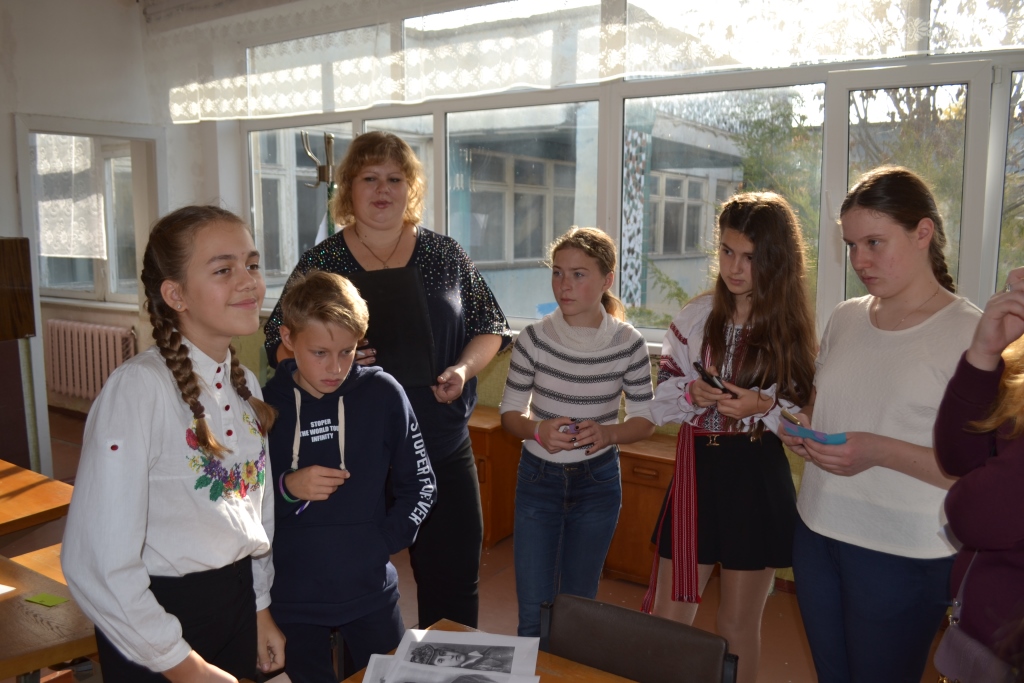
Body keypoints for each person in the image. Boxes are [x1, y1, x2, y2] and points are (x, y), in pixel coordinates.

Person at [263, 131, 511, 629]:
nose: (383, 189)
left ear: (410, 187)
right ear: (349, 189)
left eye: (395, 179)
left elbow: (492, 326)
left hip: (440, 444)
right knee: (352, 585)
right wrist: (340, 357)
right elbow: (279, 340)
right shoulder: (322, 262)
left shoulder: (445, 254)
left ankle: (444, 666)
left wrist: (462, 370)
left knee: (453, 582)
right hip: (352, 454)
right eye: (369, 178)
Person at [61, 205, 286, 682]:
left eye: (251, 264)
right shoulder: (138, 390)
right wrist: (185, 667)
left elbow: (255, 514)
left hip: (235, 604)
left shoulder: (246, 384)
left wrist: (260, 606)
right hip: (156, 625)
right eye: (223, 269)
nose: (249, 281)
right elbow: (96, 563)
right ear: (175, 294)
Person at [782, 166, 982, 682]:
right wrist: (803, 428)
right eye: (851, 246)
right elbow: (825, 407)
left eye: (874, 242)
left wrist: (878, 450)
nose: (860, 261)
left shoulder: (971, 334)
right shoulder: (846, 316)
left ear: (923, 233)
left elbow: (978, 473)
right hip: (818, 529)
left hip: (904, 550)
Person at [643, 192, 817, 683]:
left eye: (750, 257)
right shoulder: (696, 316)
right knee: (669, 617)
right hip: (696, 472)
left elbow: (803, 426)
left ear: (776, 259)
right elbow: (661, 398)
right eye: (726, 251)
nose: (735, 268)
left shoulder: (790, 328)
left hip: (756, 474)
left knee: (737, 625)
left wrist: (762, 408)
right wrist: (691, 392)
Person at [262, 270, 436, 680]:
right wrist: (288, 488)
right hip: (292, 596)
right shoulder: (265, 404)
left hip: (370, 590)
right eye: (320, 352)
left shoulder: (384, 393)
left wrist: (381, 543)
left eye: (347, 351)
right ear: (288, 338)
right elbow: (242, 502)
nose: (335, 367)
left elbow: (421, 485)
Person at [500, 227, 655, 637]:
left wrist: (608, 434)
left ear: (607, 280)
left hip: (597, 483)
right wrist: (536, 430)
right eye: (557, 272)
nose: (564, 285)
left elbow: (645, 419)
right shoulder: (534, 339)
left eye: (578, 274)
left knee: (576, 611)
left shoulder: (628, 343)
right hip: (538, 481)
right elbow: (510, 414)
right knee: (533, 613)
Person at [933, 265, 1024, 670]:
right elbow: (958, 459)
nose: (1017, 273)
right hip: (988, 637)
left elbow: (976, 516)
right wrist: (984, 354)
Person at [408, 644, 514, 672]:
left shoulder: (485, 649)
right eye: (441, 660)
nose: (449, 656)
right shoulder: (477, 670)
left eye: (443, 652)